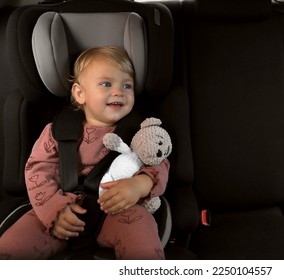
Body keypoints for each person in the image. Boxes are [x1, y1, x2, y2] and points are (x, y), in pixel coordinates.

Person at [0, 46, 169, 260]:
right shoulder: (58, 131)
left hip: (114, 210)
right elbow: (37, 170)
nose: (119, 91)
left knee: (139, 224)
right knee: (12, 247)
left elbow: (159, 162)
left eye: (127, 85)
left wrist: (139, 185)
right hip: (61, 210)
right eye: (106, 84)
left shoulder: (140, 132)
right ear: (80, 94)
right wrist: (53, 209)